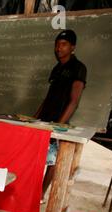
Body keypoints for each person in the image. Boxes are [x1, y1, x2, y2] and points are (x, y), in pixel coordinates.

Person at [34, 29, 87, 202]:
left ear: (73, 47)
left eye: (63, 44)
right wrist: (35, 118)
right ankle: (32, 190)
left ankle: (41, 194)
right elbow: (49, 96)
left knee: (52, 160)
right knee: (37, 155)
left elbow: (74, 101)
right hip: (44, 119)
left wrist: (58, 125)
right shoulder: (57, 68)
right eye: (57, 45)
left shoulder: (78, 68)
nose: (59, 48)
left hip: (59, 122)